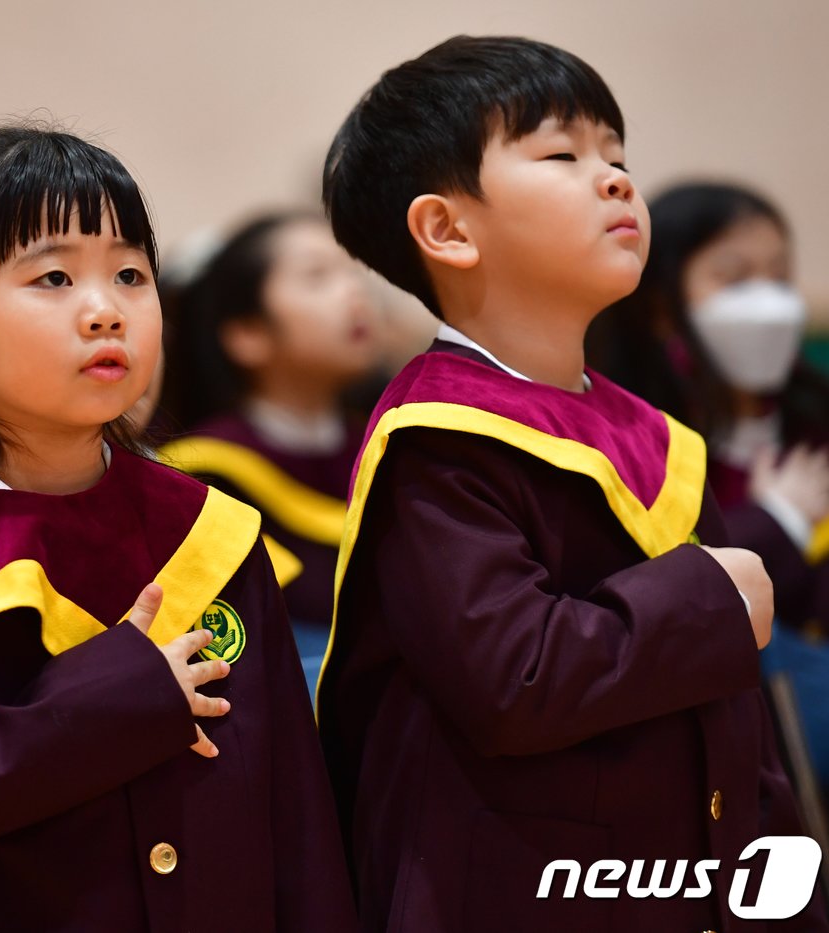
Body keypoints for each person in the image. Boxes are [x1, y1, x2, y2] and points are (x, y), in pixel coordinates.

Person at [0, 124, 355, 932]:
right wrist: (125, 690)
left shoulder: (209, 527)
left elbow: (296, 815)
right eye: (53, 277)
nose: (104, 310)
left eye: (130, 273)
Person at [316, 36, 824, 931]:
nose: (617, 179)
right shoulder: (437, 440)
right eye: (562, 155)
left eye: (618, 155)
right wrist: (710, 592)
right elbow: (518, 677)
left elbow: (732, 721)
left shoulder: (655, 434)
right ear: (447, 229)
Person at [589, 182, 829, 628]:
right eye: (734, 278)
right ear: (662, 307)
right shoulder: (634, 443)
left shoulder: (813, 418)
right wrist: (775, 521)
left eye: (779, 277)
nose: (769, 305)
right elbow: (646, 597)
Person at [158, 211, 382, 641]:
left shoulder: (387, 446)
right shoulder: (200, 478)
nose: (355, 292)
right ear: (248, 333)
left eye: (353, 271)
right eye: (317, 277)